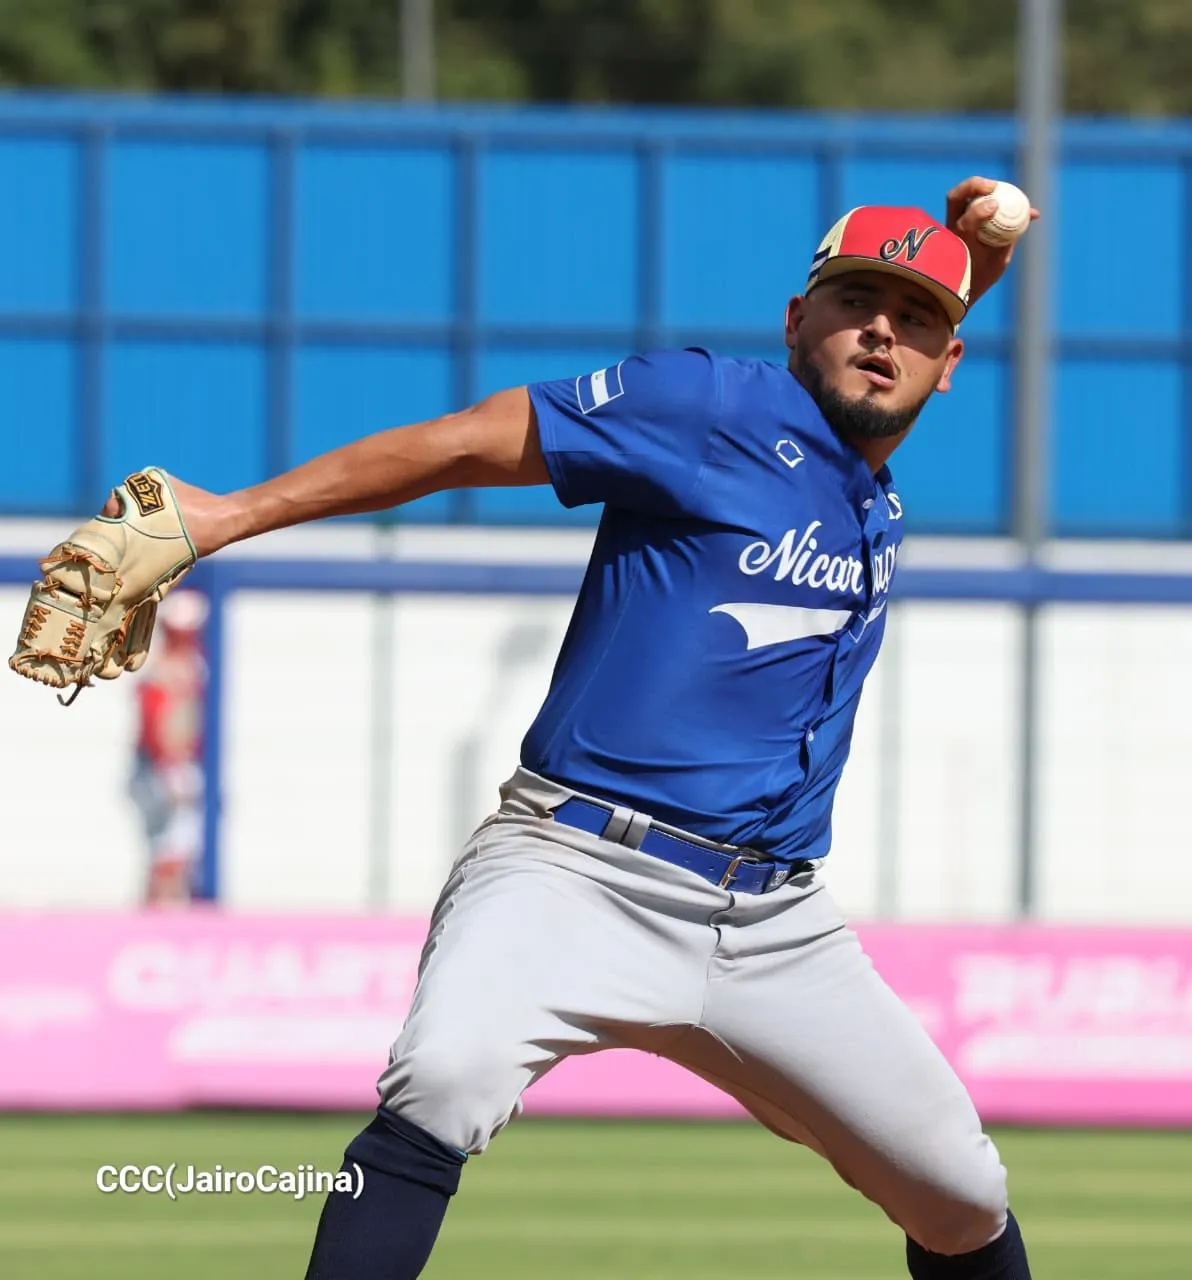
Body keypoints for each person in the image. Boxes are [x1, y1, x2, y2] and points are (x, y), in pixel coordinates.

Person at [122, 176, 1038, 1279]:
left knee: (959, 1192)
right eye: (851, 299)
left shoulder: (863, 478)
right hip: (577, 868)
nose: (880, 329)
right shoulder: (711, 407)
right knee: (444, 1081)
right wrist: (230, 514)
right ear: (795, 320)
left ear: (950, 362)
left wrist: (967, 270)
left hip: (772, 922)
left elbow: (896, 356)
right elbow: (467, 440)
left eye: (917, 320)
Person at [127, 588, 208, 905]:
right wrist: (169, 766)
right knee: (168, 850)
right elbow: (156, 725)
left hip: (180, 768)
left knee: (182, 850)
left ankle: (174, 913)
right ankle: (160, 918)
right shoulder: (159, 670)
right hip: (162, 771)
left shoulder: (194, 667)